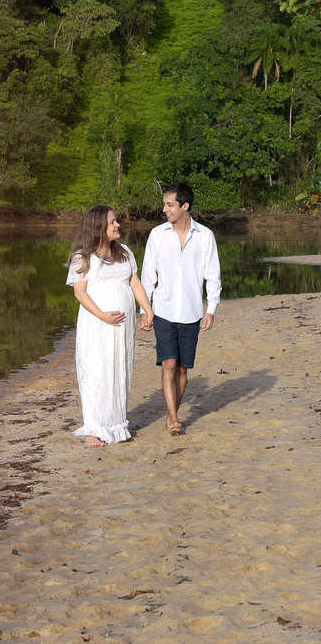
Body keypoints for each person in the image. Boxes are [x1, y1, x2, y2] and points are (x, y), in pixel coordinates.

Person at [66, 205, 155, 448]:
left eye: (116, 221)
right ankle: (93, 430)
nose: (118, 225)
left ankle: (116, 424)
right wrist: (102, 315)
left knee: (119, 369)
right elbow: (80, 293)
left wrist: (148, 310)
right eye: (112, 222)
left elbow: (135, 283)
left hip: (122, 327)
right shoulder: (82, 257)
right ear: (98, 227)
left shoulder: (124, 252)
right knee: (96, 370)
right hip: (97, 324)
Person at [138, 183, 221, 436]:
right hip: (163, 310)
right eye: (164, 204)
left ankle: (172, 412)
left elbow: (213, 275)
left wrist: (211, 308)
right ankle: (173, 417)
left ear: (185, 206)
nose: (164, 210)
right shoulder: (157, 235)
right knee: (169, 364)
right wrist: (145, 308)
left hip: (192, 312)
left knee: (183, 368)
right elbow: (147, 275)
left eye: (169, 205)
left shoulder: (205, 236)